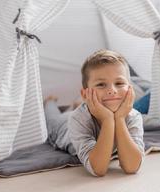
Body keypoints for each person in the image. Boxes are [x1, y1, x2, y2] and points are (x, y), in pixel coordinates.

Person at [44, 49, 145, 177]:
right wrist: (108, 119)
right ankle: (50, 101)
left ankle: (76, 104)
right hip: (63, 128)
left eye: (119, 83)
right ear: (85, 94)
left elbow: (132, 167)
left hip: (83, 110)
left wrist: (119, 119)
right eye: (101, 84)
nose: (112, 90)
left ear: (130, 89)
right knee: (52, 118)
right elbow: (98, 168)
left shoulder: (133, 115)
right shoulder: (78, 119)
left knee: (76, 110)